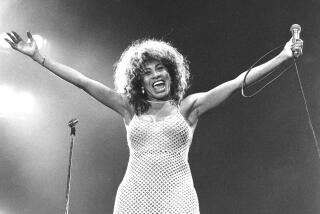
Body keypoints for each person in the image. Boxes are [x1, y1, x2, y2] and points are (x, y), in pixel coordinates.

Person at [5, 31, 303, 213]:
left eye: (161, 68)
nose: (156, 75)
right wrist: (39, 58)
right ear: (139, 81)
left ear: (172, 73)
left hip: (178, 196)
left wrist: (283, 56)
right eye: (148, 72)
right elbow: (84, 82)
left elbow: (239, 81)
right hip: (135, 194)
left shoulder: (189, 107)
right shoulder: (129, 108)